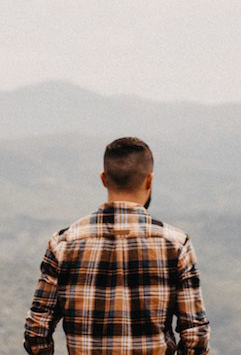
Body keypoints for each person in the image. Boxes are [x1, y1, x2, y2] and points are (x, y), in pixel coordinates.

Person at [24, 137, 210, 354]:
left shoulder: (63, 244)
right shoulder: (176, 245)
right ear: (149, 180)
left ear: (103, 179)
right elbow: (195, 336)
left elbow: (36, 331)